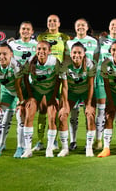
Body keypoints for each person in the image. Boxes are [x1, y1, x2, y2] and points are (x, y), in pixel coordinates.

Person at [0, 42, 27, 158]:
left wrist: (21, 102)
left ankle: (20, 147)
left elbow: (18, 86)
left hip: (21, 92)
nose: (1, 56)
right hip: (7, 92)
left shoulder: (16, 65)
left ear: (11, 54)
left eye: (4, 54)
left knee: (20, 114)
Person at [21, 40, 64, 158]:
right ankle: (28, 149)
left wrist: (54, 96)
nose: (41, 51)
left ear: (49, 51)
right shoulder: (30, 61)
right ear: (36, 50)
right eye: (39, 49)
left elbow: (58, 79)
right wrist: (29, 96)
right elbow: (25, 77)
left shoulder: (54, 61)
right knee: (29, 116)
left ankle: (49, 149)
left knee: (51, 117)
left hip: (50, 91)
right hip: (36, 91)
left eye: (44, 49)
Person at [34, 15, 70, 152]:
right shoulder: (41, 37)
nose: (52, 23)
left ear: (59, 23)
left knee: (54, 109)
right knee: (42, 109)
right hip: (44, 76)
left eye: (55, 21)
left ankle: (53, 141)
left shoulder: (65, 38)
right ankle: (39, 141)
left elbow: (67, 56)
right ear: (47, 23)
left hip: (58, 76)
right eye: (50, 21)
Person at [65, 18, 99, 151]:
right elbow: (68, 60)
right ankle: (73, 141)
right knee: (73, 113)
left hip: (88, 81)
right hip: (73, 83)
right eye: (78, 25)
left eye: (83, 25)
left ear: (87, 27)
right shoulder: (69, 42)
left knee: (89, 112)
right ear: (75, 28)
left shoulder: (93, 41)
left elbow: (96, 59)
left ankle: (88, 143)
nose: (80, 27)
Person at [94, 18, 116, 151]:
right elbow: (96, 58)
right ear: (109, 27)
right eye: (112, 24)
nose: (114, 27)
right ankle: (98, 140)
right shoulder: (102, 40)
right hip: (102, 77)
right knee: (101, 110)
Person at [58, 41, 97, 157]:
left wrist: (89, 104)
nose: (77, 55)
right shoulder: (64, 64)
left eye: (79, 52)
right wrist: (65, 105)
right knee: (62, 115)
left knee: (90, 114)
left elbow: (91, 85)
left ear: (84, 53)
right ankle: (65, 148)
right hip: (72, 92)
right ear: (70, 54)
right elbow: (64, 87)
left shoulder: (90, 64)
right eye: (74, 52)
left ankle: (89, 147)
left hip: (86, 91)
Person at [6, 21, 38, 150]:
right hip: (13, 82)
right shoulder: (12, 44)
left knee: (24, 113)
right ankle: (0, 144)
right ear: (19, 31)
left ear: (32, 32)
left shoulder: (36, 45)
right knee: (8, 115)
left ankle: (23, 145)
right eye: (23, 29)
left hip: (29, 82)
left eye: (28, 29)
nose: (25, 31)